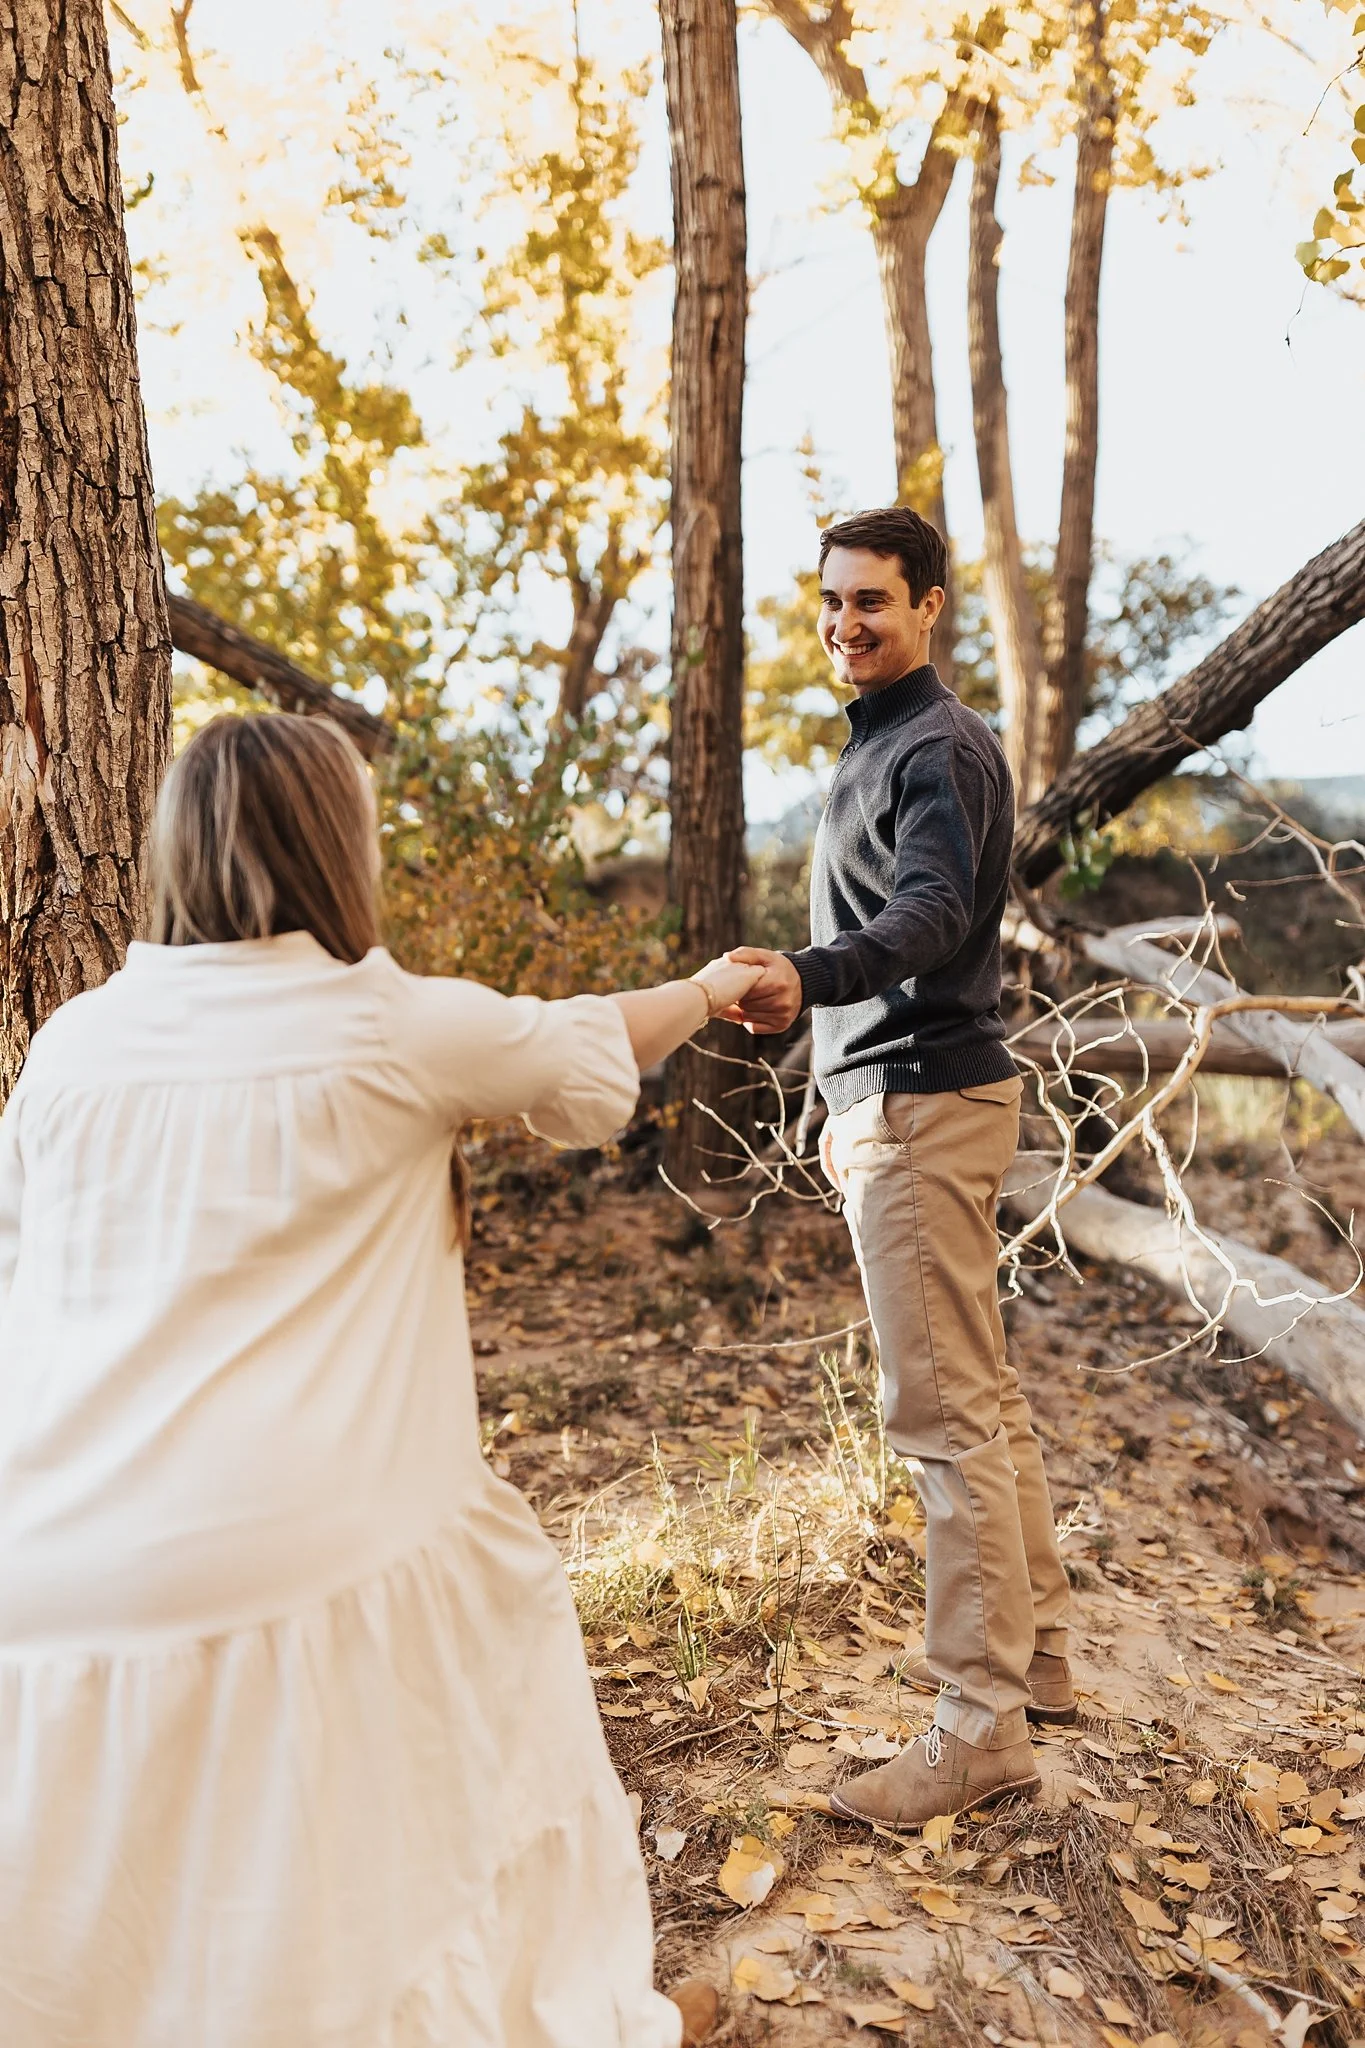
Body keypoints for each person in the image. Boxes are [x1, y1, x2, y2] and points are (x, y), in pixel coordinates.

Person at [0, 712, 759, 2048]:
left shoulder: (70, 1047)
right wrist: (703, 992)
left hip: (40, 1574)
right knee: (492, 1613)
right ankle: (565, 2019)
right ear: (335, 849)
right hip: (300, 1552)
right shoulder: (387, 1021)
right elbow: (587, 1054)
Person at [724, 506, 1074, 1828]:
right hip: (911, 1094)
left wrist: (807, 983)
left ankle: (978, 1724)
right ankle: (1036, 1660)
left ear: (931, 604)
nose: (845, 622)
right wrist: (830, 1068)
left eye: (873, 600)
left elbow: (926, 914)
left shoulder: (934, 745)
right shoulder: (893, 743)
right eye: (832, 600)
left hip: (926, 1107)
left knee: (941, 1418)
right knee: (983, 1392)